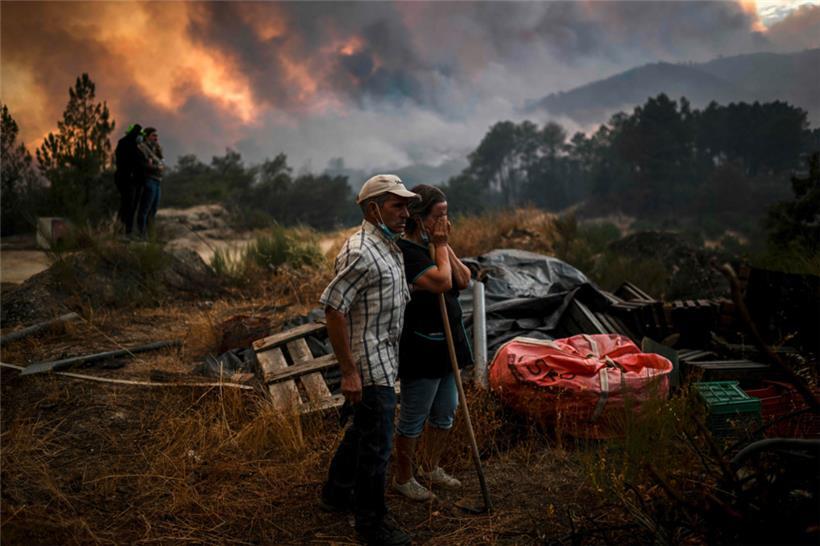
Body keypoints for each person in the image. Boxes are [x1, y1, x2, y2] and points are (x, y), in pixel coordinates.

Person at [318, 174, 420, 546]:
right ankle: (371, 524)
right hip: (368, 363)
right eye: (398, 206)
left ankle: (335, 493)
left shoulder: (389, 245)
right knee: (378, 445)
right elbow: (334, 308)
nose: (405, 213)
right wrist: (348, 371)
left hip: (386, 358)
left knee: (363, 430)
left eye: (406, 206)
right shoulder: (361, 250)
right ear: (374, 209)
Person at [392, 184, 473, 501]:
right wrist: (438, 243)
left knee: (445, 411)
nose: (446, 221)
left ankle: (431, 467)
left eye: (447, 214)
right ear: (419, 218)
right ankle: (404, 477)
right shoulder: (405, 253)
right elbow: (442, 282)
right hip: (422, 347)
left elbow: (463, 279)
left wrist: (442, 244)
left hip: (448, 346)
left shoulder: (433, 246)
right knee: (414, 415)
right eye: (439, 215)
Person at [114, 124, 143, 238]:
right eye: (139, 134)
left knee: (132, 207)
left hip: (134, 181)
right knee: (126, 205)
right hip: (125, 179)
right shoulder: (124, 144)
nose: (140, 137)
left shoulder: (135, 146)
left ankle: (128, 231)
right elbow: (124, 162)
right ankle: (120, 231)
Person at [136, 127, 164, 239]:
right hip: (149, 180)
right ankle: (141, 234)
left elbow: (161, 161)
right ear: (147, 136)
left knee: (153, 210)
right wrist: (156, 167)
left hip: (157, 181)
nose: (156, 138)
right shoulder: (142, 148)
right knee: (145, 209)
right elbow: (144, 165)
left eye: (156, 136)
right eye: (153, 135)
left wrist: (156, 164)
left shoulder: (156, 148)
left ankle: (151, 237)